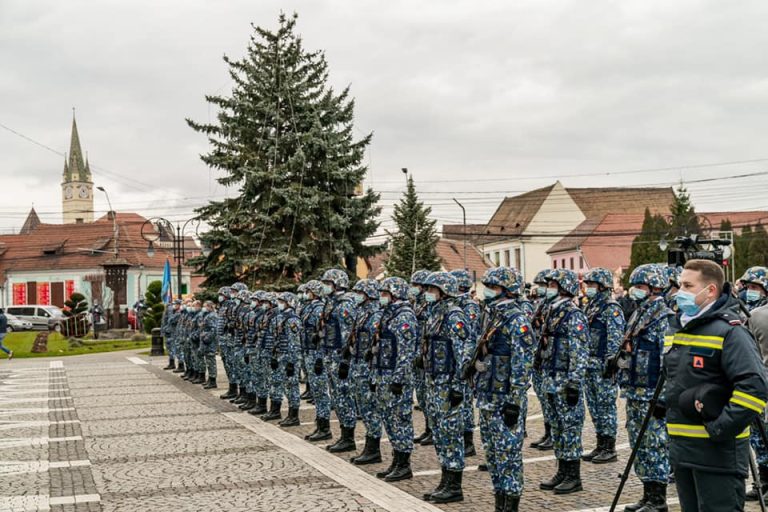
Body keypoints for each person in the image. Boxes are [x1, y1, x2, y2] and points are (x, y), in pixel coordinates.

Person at [664, 259, 768, 511]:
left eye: (688, 286)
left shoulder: (730, 332)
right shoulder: (679, 328)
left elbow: (754, 388)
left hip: (717, 455)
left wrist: (720, 428)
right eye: (680, 285)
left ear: (710, 290)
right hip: (683, 452)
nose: (680, 292)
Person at [468, 267, 536, 511]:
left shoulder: (517, 321)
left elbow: (522, 364)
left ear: (507, 291)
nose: (487, 291)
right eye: (488, 286)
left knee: (508, 454)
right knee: (493, 454)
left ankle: (511, 504)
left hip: (505, 399)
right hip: (488, 395)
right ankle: (500, 500)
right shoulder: (492, 317)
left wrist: (515, 401)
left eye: (493, 287)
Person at [612, 263, 672, 511]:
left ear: (655, 288)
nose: (635, 290)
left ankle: (658, 499)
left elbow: (668, 363)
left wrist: (663, 398)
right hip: (635, 391)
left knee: (655, 444)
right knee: (639, 444)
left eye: (640, 286)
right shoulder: (638, 314)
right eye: (634, 285)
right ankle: (647, 493)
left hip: (652, 394)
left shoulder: (664, 318)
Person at [419, 271, 470, 503]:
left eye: (432, 289)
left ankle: (454, 486)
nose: (428, 293)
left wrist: (458, 385)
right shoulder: (435, 313)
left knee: (451, 434)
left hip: (448, 384)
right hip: (434, 382)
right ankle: (445, 479)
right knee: (440, 434)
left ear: (444, 291)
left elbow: (462, 354)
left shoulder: (454, 315)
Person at [538, 269, 589, 495]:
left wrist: (574, 382)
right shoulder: (552, 311)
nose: (548, 289)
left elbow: (579, 351)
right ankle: (562, 469)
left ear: (564, 288)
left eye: (552, 285)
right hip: (551, 378)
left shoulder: (573, 314)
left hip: (565, 381)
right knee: (557, 426)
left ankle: (573, 475)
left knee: (570, 428)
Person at [372, 277, 419, 482]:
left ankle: (404, 464)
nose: (381, 297)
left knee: (400, 419)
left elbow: (406, 352)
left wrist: (399, 379)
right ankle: (396, 459)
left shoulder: (404, 316)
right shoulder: (389, 314)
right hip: (384, 373)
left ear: (395, 295)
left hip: (397, 377)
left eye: (385, 293)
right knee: (389, 418)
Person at [581, 267, 624, 464]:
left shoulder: (611, 308)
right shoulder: (591, 306)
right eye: (587, 284)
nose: (588, 287)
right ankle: (600, 443)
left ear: (602, 286)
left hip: (602, 366)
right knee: (594, 406)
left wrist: (611, 363)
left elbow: (615, 339)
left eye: (592, 284)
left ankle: (609, 447)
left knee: (606, 406)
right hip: (589, 365)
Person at [346, 279, 384, 465]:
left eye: (360, 292)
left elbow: (377, 345)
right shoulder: (363, 313)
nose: (356, 296)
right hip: (359, 366)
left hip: (368, 369)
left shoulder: (375, 316)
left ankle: (373, 448)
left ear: (369, 295)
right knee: (364, 407)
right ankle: (369, 447)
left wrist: (373, 373)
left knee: (371, 408)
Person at [320, 269, 359, 453]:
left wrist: (345, 361)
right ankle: (344, 435)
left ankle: (349, 437)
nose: (324, 287)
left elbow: (348, 336)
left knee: (345, 397)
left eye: (328, 283)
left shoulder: (345, 305)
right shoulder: (331, 303)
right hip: (331, 356)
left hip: (341, 358)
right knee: (337, 397)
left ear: (337, 285)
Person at [450, 269, 480, 458]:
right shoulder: (455, 305)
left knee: (466, 402)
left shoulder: (469, 306)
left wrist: (466, 362)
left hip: (466, 360)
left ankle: (468, 441)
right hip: (454, 360)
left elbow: (470, 336)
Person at [302, 280, 333, 442]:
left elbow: (323, 335)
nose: (306, 293)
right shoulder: (310, 307)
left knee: (321, 392)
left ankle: (324, 427)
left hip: (317, 355)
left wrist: (320, 358)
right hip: (309, 353)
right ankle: (320, 424)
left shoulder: (319, 308)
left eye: (308, 291)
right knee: (316, 391)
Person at [530, 269, 556, 451]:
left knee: (549, 400)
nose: (541, 288)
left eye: (544, 285)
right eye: (539, 285)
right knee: (543, 398)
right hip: (539, 356)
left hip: (548, 358)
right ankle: (548, 432)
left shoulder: (554, 307)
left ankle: (553, 434)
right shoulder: (541, 304)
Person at [409, 269, 434, 446]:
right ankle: (427, 428)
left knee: (429, 394)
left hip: (426, 355)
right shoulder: (416, 303)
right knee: (422, 394)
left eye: (416, 285)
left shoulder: (430, 305)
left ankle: (433, 429)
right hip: (417, 353)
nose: (413, 288)